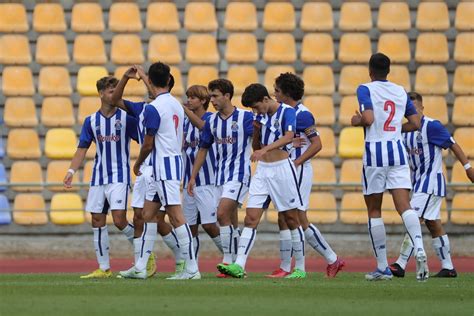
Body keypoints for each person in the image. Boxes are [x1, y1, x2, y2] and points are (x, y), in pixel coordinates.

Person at [351, 53, 428, 281]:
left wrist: (356, 121)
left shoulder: (365, 89)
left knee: (374, 210)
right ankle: (420, 248)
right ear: (389, 70)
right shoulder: (401, 91)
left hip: (375, 153)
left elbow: (368, 118)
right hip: (397, 152)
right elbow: (415, 123)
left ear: (370, 70)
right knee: (404, 206)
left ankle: (383, 267)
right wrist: (395, 131)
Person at [119, 62, 199, 280]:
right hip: (166, 165)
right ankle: (140, 267)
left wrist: (137, 164)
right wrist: (144, 75)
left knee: (175, 216)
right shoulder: (175, 104)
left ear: (151, 83)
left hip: (164, 165)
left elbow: (148, 144)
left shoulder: (154, 108)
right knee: (148, 215)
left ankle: (192, 268)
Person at [218, 83, 306, 279]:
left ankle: (300, 267)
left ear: (266, 100)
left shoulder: (287, 112)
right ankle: (239, 265)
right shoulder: (259, 116)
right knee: (251, 218)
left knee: (291, 218)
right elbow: (256, 144)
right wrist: (257, 131)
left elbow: (289, 136)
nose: (255, 111)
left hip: (282, 169)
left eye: (257, 107)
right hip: (263, 170)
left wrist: (264, 149)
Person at [266, 72, 345, 278]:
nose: (274, 94)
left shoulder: (302, 114)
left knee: (298, 218)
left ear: (287, 93)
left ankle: (323, 261)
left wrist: (296, 162)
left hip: (298, 170)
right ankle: (285, 266)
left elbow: (317, 144)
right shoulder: (283, 112)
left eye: (277, 90)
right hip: (285, 169)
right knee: (284, 217)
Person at [389, 92, 474, 278]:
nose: (413, 112)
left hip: (431, 182)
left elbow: (453, 144)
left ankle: (400, 264)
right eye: (409, 109)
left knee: (414, 218)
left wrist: (468, 167)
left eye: (415, 108)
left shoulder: (431, 126)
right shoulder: (403, 131)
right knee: (433, 224)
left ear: (422, 108)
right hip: (417, 182)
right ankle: (448, 267)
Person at [110, 66, 183, 278]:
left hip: (157, 165)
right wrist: (125, 77)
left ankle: (182, 258)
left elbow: (150, 143)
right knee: (142, 216)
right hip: (147, 169)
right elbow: (115, 100)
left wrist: (143, 76)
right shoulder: (143, 108)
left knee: (163, 217)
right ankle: (141, 265)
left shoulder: (161, 108)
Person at [63, 76, 138, 279]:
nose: (115, 94)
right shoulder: (91, 121)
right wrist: (71, 171)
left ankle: (144, 256)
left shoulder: (126, 118)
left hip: (119, 176)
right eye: (111, 91)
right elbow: (82, 149)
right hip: (98, 177)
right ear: (101, 94)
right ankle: (104, 268)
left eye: (116, 90)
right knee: (96, 220)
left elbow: (146, 140)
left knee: (120, 220)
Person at [187, 79, 253, 277]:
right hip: (220, 177)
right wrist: (193, 177)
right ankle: (235, 265)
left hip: (239, 174)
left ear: (227, 96)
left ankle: (227, 260)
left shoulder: (245, 118)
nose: (212, 100)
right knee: (231, 222)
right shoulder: (213, 122)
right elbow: (203, 149)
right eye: (211, 96)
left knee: (221, 214)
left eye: (215, 96)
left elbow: (261, 137)